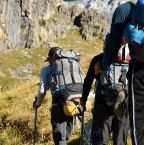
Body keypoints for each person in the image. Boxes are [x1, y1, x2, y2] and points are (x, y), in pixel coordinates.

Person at [95, 0, 144, 145]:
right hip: (128, 74)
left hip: (139, 69)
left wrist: (103, 64)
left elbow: (114, 40)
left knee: (139, 122)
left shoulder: (124, 9)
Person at [33, 47, 83, 145]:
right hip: (74, 101)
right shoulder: (73, 65)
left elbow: (42, 90)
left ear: (50, 58)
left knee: (59, 137)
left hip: (58, 103)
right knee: (66, 135)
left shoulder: (47, 70)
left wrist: (37, 104)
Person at [81, 52, 130, 145]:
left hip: (103, 101)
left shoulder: (99, 59)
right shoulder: (131, 59)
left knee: (101, 139)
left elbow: (88, 81)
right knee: (120, 140)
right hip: (124, 103)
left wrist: (83, 100)